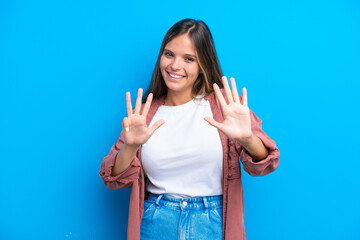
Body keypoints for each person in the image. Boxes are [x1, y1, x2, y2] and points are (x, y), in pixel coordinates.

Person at [99, 18, 280, 240]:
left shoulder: (226, 106)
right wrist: (131, 146)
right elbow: (112, 178)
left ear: (203, 64)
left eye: (188, 59)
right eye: (169, 54)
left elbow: (265, 164)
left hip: (212, 224)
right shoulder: (144, 114)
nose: (175, 66)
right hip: (156, 222)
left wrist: (247, 139)